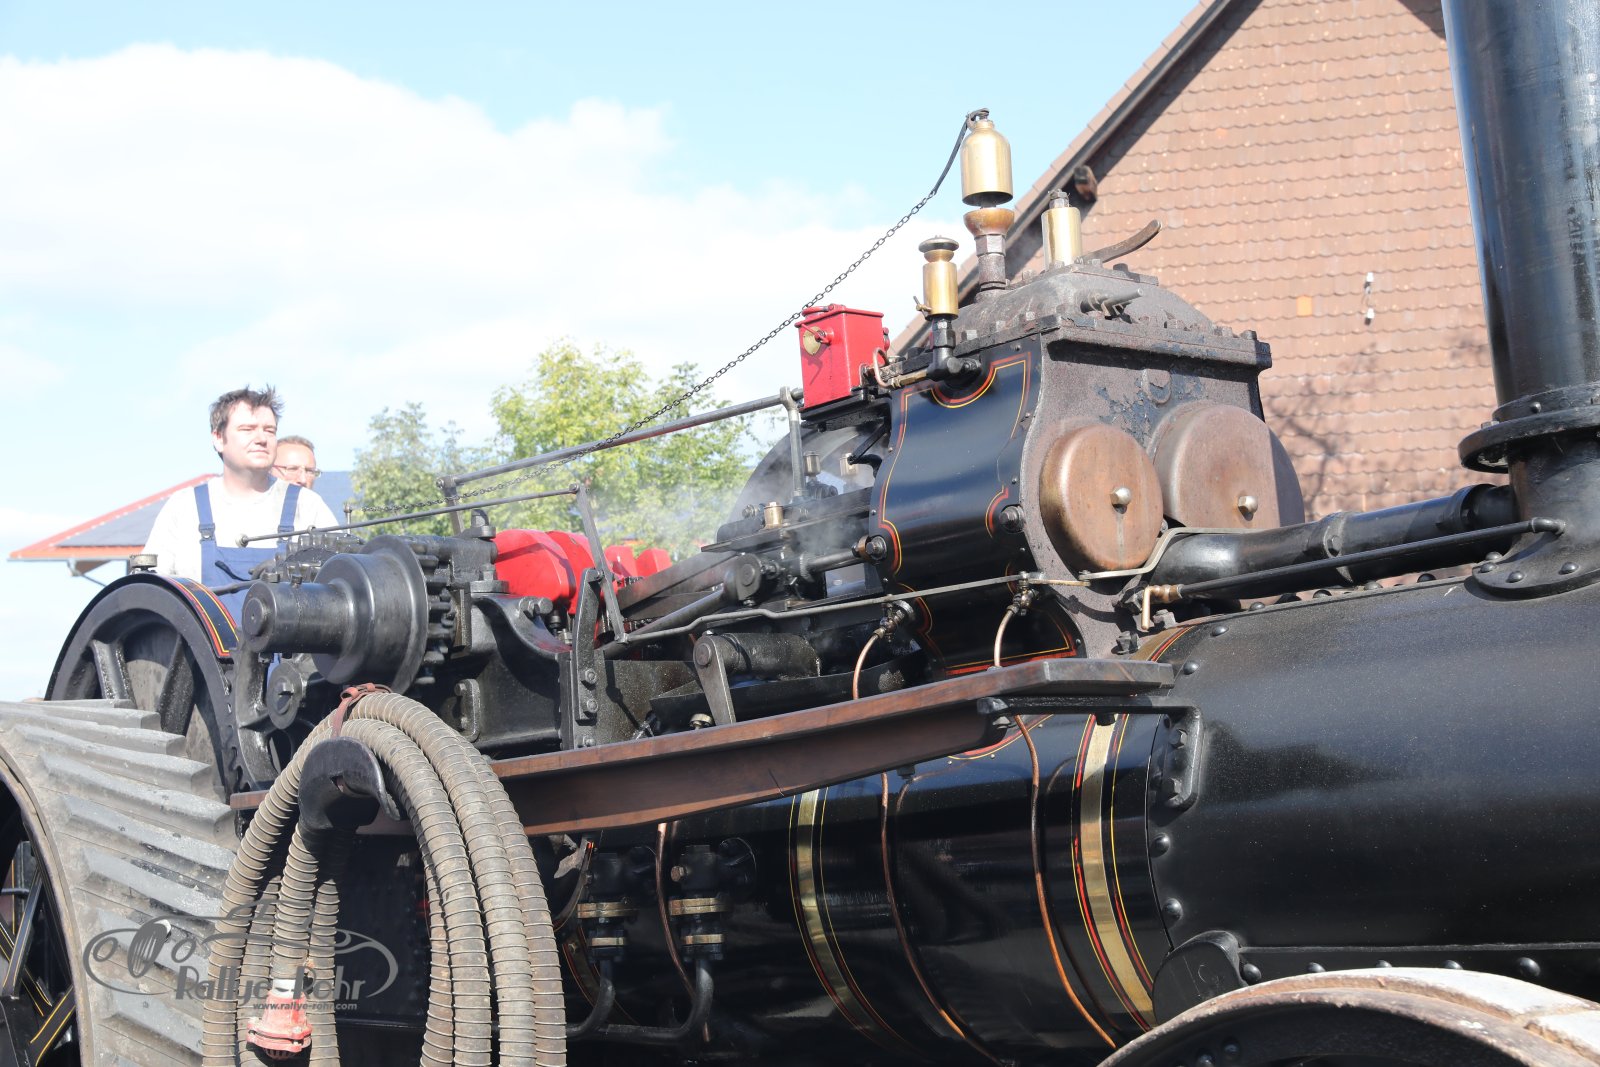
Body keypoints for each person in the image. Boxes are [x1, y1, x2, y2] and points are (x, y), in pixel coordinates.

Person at [142, 386, 339, 617]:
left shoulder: (308, 506)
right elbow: (149, 595)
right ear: (218, 438)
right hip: (200, 642)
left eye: (269, 430)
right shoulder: (184, 508)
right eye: (247, 429)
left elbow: (340, 585)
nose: (261, 439)